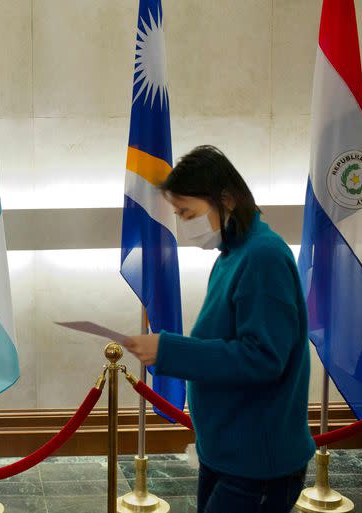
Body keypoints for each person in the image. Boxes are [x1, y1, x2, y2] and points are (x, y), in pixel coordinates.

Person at [123, 145, 316, 513]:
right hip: (227, 450)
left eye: (187, 212)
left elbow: (262, 357)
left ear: (225, 199)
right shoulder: (234, 253)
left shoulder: (263, 257)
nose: (182, 222)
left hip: (257, 461)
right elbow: (224, 342)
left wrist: (170, 351)